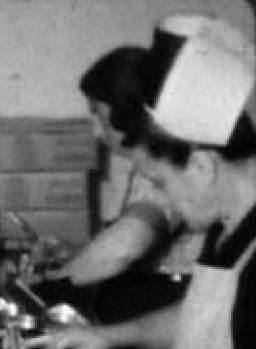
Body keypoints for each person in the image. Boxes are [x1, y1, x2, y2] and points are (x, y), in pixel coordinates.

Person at [27, 14, 256, 349]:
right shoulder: (224, 226)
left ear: (201, 168)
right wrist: (110, 337)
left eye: (160, 184)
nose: (165, 204)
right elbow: (206, 323)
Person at [41, 46, 203, 321]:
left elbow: (124, 248)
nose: (96, 131)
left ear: (128, 111)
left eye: (100, 117)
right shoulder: (148, 161)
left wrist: (45, 289)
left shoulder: (166, 161)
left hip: (180, 302)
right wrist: (80, 254)